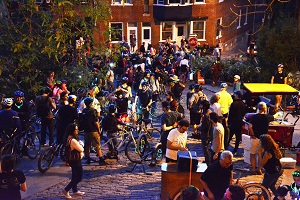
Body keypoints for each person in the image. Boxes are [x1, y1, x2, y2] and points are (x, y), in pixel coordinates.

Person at [248, 102, 279, 174]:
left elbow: (249, 126)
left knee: (252, 154)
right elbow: (274, 117)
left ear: (258, 108)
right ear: (265, 109)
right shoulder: (267, 117)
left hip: (255, 138)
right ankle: (259, 169)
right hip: (263, 139)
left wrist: (252, 134)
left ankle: (253, 169)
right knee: (260, 154)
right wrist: (278, 113)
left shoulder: (254, 117)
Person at [81, 97, 106, 165]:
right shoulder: (93, 111)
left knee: (87, 145)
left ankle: (88, 159)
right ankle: (100, 159)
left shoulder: (84, 111)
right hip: (93, 131)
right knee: (97, 145)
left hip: (86, 131)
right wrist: (99, 130)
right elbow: (96, 122)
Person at [62, 123, 85, 199]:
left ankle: (75, 191)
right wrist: (81, 144)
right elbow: (81, 149)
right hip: (75, 160)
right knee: (79, 177)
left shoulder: (68, 137)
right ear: (72, 130)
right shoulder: (73, 140)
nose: (77, 130)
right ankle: (66, 190)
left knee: (74, 176)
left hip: (72, 160)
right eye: (76, 129)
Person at [228, 91, 246, 155]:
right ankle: (235, 149)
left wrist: (229, 122)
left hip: (233, 122)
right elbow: (244, 113)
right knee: (238, 137)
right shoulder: (243, 104)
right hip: (239, 122)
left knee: (230, 136)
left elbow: (231, 114)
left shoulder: (234, 104)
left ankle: (226, 146)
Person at [197, 100, 212, 165]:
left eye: (201, 105)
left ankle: (208, 161)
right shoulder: (210, 112)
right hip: (209, 133)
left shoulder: (206, 115)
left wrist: (198, 128)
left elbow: (204, 127)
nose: (200, 106)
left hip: (206, 134)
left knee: (206, 148)